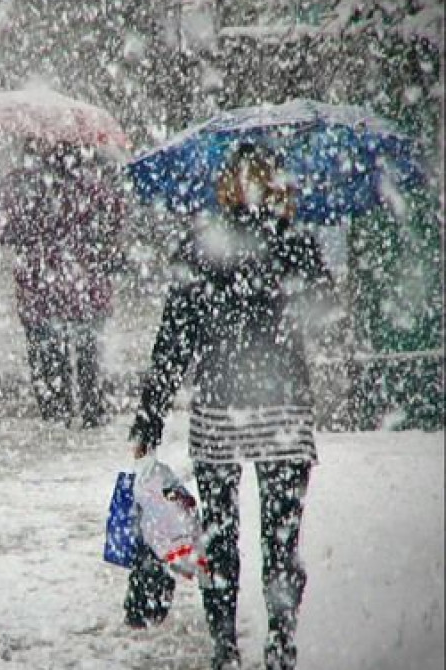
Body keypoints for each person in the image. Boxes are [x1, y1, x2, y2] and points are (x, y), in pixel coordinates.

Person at [127, 142, 335, 670]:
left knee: (221, 533)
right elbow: (322, 311)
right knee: (281, 537)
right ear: (276, 183)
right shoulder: (296, 244)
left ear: (227, 185)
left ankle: (225, 646)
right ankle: (281, 643)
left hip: (220, 408)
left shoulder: (201, 245)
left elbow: (174, 339)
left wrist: (150, 414)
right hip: (282, 408)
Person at [0, 140, 127, 428]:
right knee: (88, 353)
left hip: (40, 286)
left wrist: (29, 234)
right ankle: (90, 411)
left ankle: (57, 415)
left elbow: (0, 228)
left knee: (47, 356)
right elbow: (115, 220)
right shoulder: (92, 183)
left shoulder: (21, 184)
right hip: (85, 284)